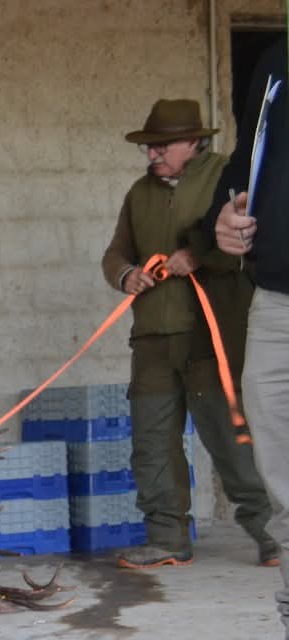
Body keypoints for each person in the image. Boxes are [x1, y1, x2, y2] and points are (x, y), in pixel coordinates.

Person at [100, 98, 277, 570]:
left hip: (211, 337)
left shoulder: (225, 180)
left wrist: (199, 255)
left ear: (193, 142)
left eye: (162, 146)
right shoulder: (138, 194)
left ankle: (273, 535)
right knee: (152, 444)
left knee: (231, 441)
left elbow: (250, 242)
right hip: (153, 340)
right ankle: (166, 538)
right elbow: (115, 254)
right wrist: (126, 275)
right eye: (149, 146)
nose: (152, 154)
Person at [210, 36, 289, 640]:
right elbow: (244, 164)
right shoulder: (276, 62)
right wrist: (226, 213)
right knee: (285, 495)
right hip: (277, 301)